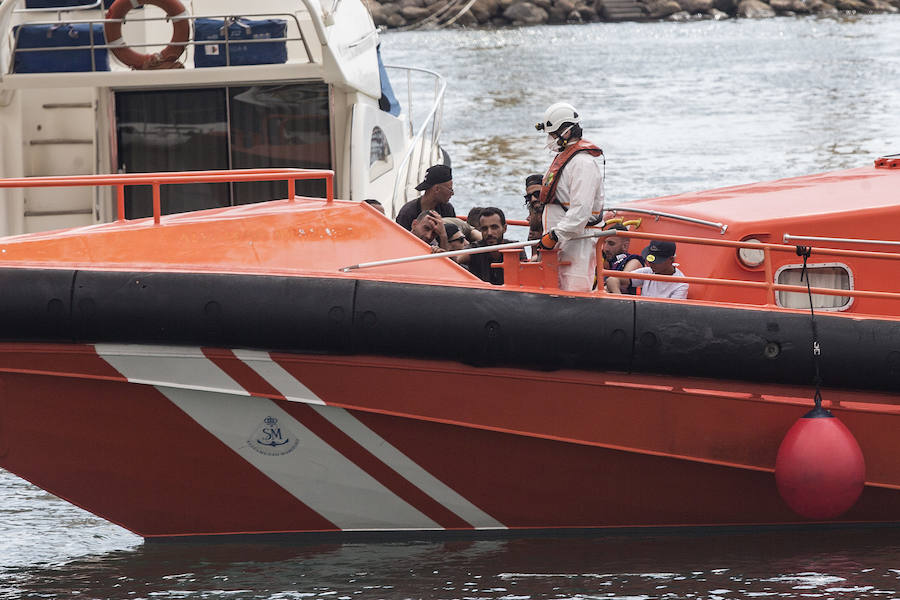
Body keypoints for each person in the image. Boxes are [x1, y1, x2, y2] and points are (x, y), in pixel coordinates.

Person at [533, 102, 605, 292]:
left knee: (575, 290)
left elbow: (581, 211)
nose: (549, 139)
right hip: (563, 239)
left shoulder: (583, 163)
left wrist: (555, 235)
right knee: (558, 288)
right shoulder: (566, 158)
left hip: (577, 240)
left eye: (552, 134)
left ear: (566, 132)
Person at [460, 207, 517, 285]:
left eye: (494, 227)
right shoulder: (474, 249)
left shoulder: (515, 248)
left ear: (504, 228)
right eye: (484, 229)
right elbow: (455, 259)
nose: (489, 233)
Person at [395, 165, 456, 231]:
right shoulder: (407, 213)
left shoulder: (447, 208)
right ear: (437, 189)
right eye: (450, 189)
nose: (452, 193)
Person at [603, 223, 645, 294]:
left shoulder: (634, 261)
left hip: (627, 303)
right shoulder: (605, 261)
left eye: (611, 244)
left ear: (625, 246)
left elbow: (620, 282)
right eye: (604, 243)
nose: (605, 248)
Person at [524, 173, 544, 242]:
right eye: (529, 197)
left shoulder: (558, 207)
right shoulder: (532, 209)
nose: (533, 199)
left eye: (537, 194)